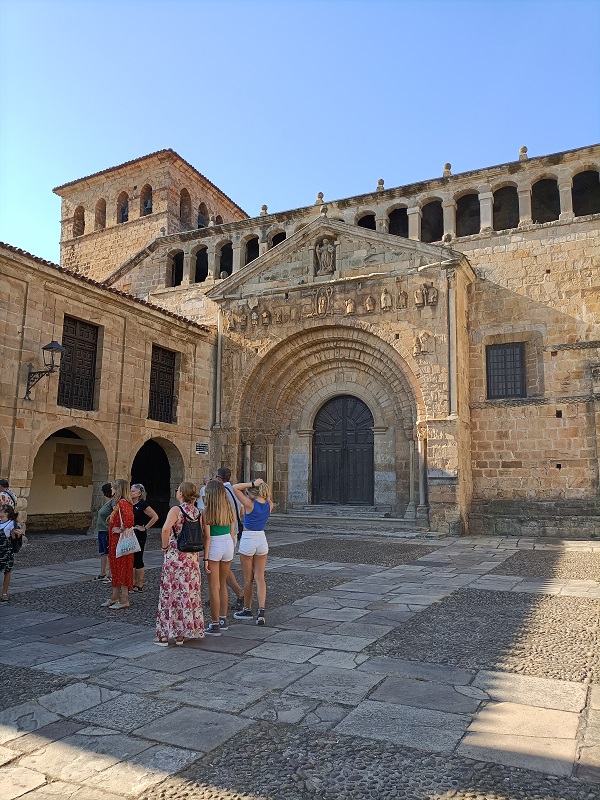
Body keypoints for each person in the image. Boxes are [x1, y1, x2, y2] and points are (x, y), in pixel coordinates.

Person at [154, 482, 205, 646]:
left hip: (176, 557)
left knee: (171, 594)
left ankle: (164, 635)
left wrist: (164, 546)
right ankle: (181, 634)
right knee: (187, 594)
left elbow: (165, 529)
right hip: (191, 558)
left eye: (178, 490)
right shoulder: (197, 511)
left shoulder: (176, 510)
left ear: (181, 493)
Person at [232, 478, 273, 626]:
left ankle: (247, 609)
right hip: (262, 538)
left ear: (251, 492)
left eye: (248, 492)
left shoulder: (249, 504)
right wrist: (259, 487)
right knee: (260, 577)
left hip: (249, 538)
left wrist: (252, 483)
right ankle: (261, 611)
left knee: (248, 578)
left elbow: (234, 488)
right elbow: (267, 496)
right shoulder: (269, 504)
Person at [202, 480, 236, 636]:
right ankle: (223, 619)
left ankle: (214, 624)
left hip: (214, 545)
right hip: (228, 544)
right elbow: (232, 531)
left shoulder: (207, 511)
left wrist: (205, 559)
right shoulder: (229, 508)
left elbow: (207, 537)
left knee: (213, 587)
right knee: (223, 585)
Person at [215, 467, 245, 611]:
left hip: (224, 532)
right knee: (220, 567)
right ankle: (216, 594)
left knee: (221, 568)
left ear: (219, 478)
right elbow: (241, 512)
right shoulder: (235, 491)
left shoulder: (221, 492)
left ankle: (240, 593)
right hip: (233, 532)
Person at [102, 479, 134, 610]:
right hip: (115, 540)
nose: (112, 490)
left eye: (114, 487)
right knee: (115, 569)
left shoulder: (122, 502)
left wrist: (121, 528)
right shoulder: (118, 502)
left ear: (118, 489)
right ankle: (115, 596)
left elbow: (129, 520)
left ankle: (124, 599)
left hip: (120, 540)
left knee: (122, 568)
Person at [130, 483, 158, 592]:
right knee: (130, 557)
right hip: (130, 533)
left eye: (133, 491)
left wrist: (145, 528)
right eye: (130, 490)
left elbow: (155, 517)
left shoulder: (143, 505)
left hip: (139, 533)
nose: (130, 492)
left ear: (139, 493)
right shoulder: (129, 504)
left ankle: (139, 584)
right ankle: (131, 582)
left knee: (138, 558)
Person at [0, 503, 21, 601]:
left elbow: (16, 536)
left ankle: (4, 592)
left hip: (6, 552)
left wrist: (18, 534)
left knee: (7, 571)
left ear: (6, 513)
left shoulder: (11, 523)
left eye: (1, 510)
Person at [94, 483, 114, 583]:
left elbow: (116, 513)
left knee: (109, 553)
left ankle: (111, 575)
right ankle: (102, 573)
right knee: (103, 553)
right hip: (101, 530)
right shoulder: (107, 502)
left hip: (107, 530)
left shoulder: (113, 502)